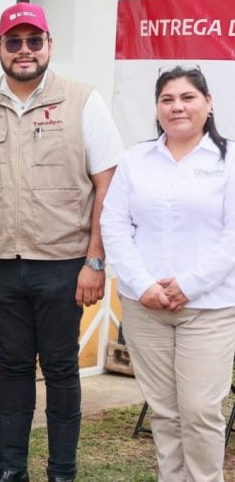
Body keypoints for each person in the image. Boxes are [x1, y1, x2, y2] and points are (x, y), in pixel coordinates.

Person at [0, 3, 124, 482]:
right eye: (14, 42)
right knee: (10, 369)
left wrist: (95, 260)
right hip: (0, 265)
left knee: (61, 368)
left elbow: (108, 185)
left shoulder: (83, 101)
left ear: (49, 45)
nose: (24, 51)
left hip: (64, 263)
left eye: (34, 41)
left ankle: (62, 471)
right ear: (0, 50)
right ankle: (10, 470)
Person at [101, 66, 235, 481]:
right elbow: (114, 224)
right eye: (167, 99)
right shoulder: (136, 160)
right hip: (146, 308)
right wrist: (143, 286)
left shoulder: (228, 159)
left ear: (208, 103)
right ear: (157, 108)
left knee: (199, 412)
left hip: (209, 307)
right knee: (165, 412)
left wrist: (188, 284)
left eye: (188, 98)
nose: (177, 107)